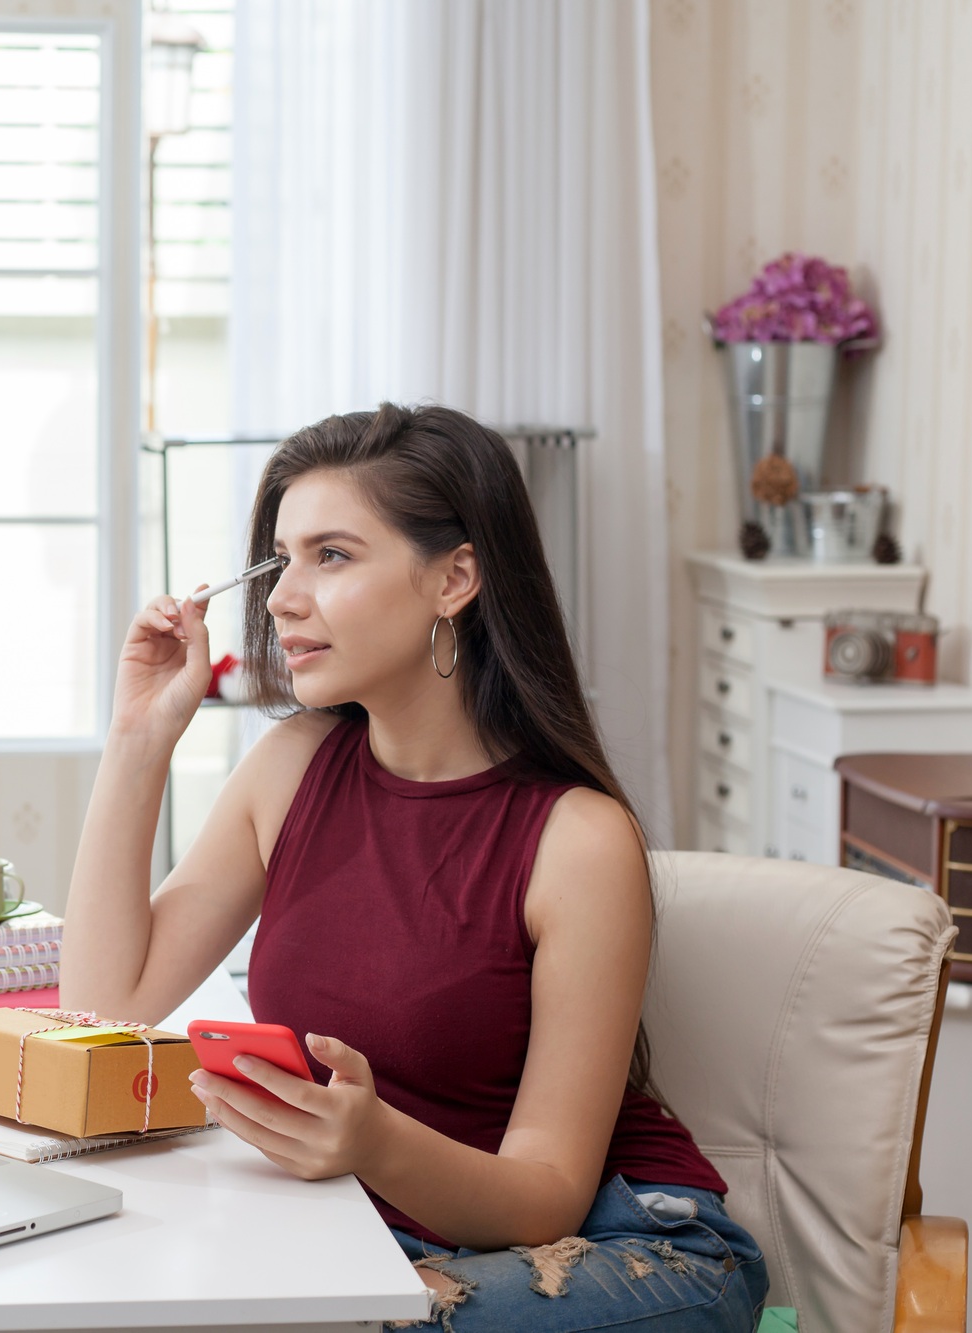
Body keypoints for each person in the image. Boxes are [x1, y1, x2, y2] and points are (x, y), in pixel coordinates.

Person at [61, 404, 768, 1330]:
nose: (279, 598)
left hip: (624, 1247)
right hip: (395, 1240)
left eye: (333, 555)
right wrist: (137, 736)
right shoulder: (291, 768)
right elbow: (105, 1004)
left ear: (455, 579)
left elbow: (548, 1194)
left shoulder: (578, 840)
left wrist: (374, 1143)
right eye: (281, 558)